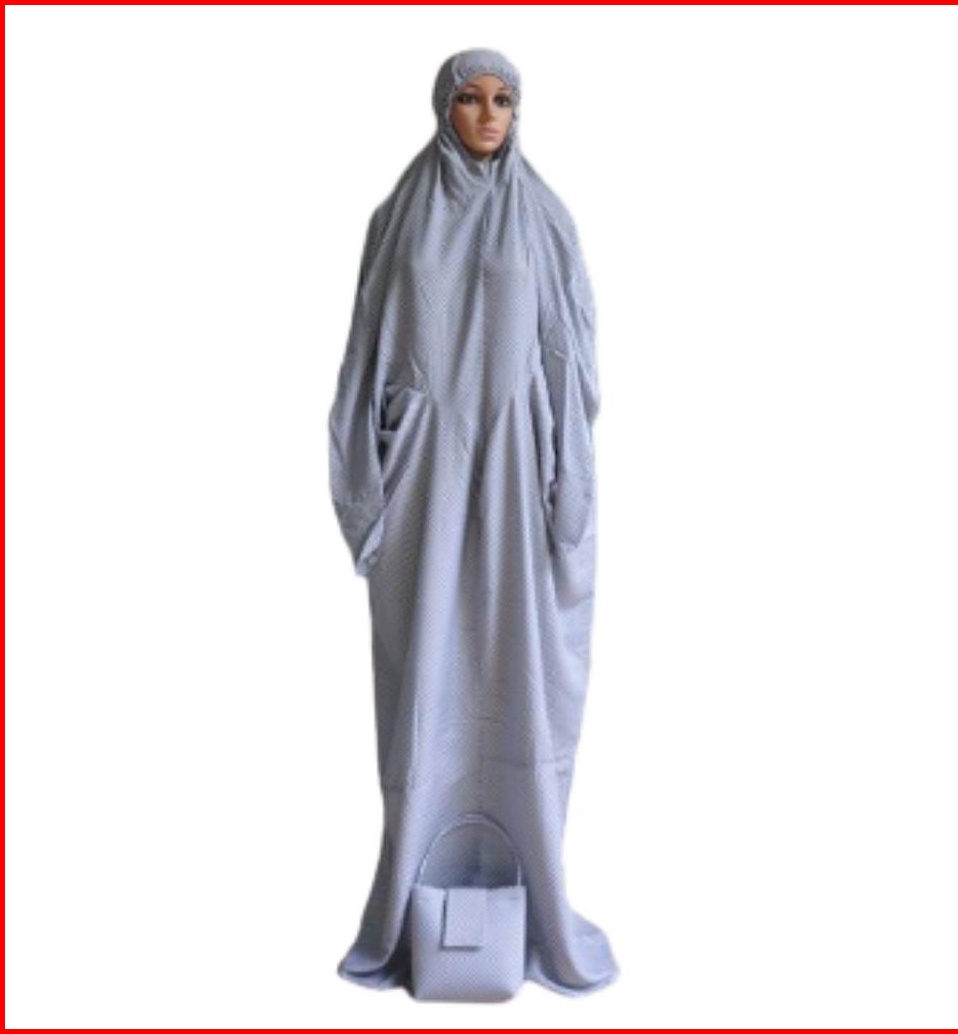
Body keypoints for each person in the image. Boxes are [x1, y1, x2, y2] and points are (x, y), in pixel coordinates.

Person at [328, 47, 618, 998]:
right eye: (470, 97)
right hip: (424, 489)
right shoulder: (397, 219)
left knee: (519, 680)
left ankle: (526, 898)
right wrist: (365, 490)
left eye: (504, 99)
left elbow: (571, 363)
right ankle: (412, 907)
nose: (489, 114)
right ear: (442, 106)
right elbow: (363, 358)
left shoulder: (543, 219)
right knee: (425, 691)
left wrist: (568, 489)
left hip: (517, 482)